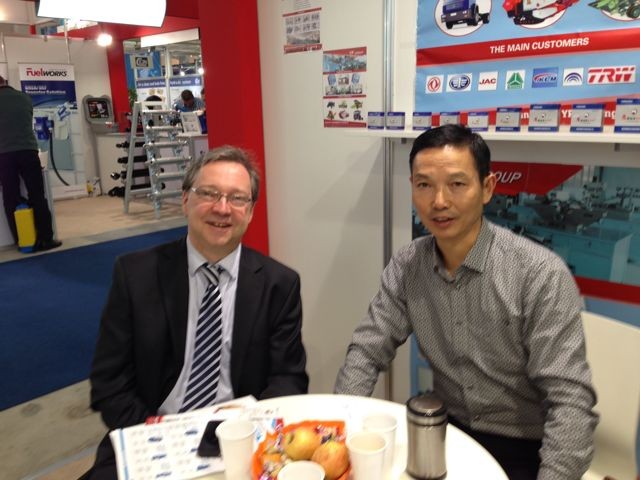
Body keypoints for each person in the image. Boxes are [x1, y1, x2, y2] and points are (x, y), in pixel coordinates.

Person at [334, 124, 598, 480]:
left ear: (487, 188)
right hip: (449, 434)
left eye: (457, 184)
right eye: (424, 185)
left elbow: (570, 403)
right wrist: (340, 433)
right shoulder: (409, 265)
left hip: (528, 447)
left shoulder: (539, 274)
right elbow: (367, 351)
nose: (439, 201)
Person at [82, 146, 309, 479]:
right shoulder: (136, 275)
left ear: (250, 212)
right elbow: (109, 383)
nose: (222, 208)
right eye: (209, 193)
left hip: (241, 439)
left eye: (237, 198)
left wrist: (247, 431)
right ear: (186, 199)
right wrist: (161, 435)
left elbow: (289, 378)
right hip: (151, 434)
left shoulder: (279, 284)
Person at [0, 74, 61, 251]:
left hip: (4, 155)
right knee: (37, 195)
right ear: (6, 82)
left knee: (10, 197)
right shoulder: (25, 98)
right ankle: (46, 239)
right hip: (28, 151)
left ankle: (22, 240)